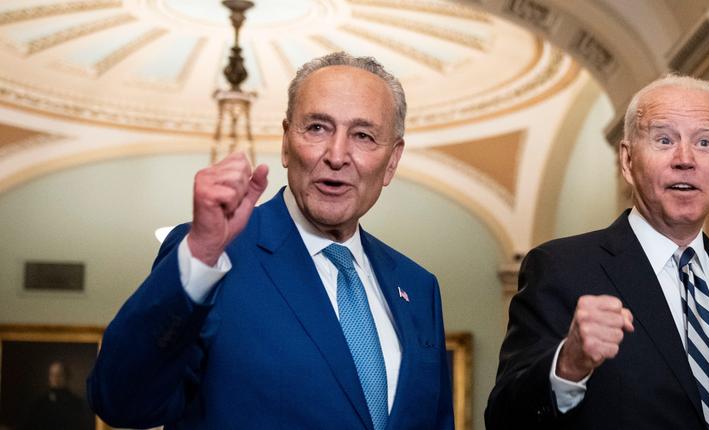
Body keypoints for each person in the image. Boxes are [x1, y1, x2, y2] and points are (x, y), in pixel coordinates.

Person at [88, 52, 453, 429]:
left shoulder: (417, 286)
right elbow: (122, 402)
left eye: (363, 135)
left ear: (392, 161)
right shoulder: (212, 256)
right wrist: (199, 255)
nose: (337, 155)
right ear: (285, 143)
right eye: (317, 128)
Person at [485, 75, 709, 429]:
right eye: (664, 140)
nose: (685, 159)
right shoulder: (560, 269)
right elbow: (504, 419)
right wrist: (567, 366)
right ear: (628, 161)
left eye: (704, 142)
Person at [24, 360, 92, 430]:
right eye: (53, 375)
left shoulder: (76, 403)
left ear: (67, 377)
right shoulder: (40, 403)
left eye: (60, 375)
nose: (56, 378)